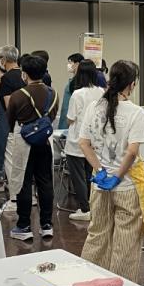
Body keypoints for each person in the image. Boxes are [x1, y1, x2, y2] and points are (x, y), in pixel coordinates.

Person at [79, 60, 144, 282]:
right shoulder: (136, 112)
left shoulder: (94, 107)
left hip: (99, 184)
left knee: (97, 235)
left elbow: (84, 143)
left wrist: (100, 171)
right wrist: (117, 177)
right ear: (132, 84)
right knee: (126, 243)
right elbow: (132, 152)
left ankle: (89, 282)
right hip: (127, 185)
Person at [5, 54, 59, 240]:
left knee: (23, 182)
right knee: (45, 182)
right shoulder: (53, 93)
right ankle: (46, 225)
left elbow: (10, 121)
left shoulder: (18, 95)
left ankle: (24, 226)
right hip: (45, 141)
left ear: (24, 74)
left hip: (24, 142)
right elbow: (52, 116)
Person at [64, 60, 103, 222]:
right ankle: (93, 206)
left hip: (77, 141)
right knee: (89, 176)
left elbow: (70, 118)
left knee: (78, 177)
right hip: (94, 140)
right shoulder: (101, 91)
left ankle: (84, 208)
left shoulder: (77, 94)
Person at [0, 45, 23, 187]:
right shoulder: (24, 75)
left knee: (10, 162)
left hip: (10, 126)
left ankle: (14, 195)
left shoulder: (6, 78)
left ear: (4, 59)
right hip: (25, 123)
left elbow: (8, 105)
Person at [58, 53, 85, 128]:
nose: (68, 65)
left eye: (70, 62)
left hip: (71, 117)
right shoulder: (73, 80)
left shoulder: (78, 82)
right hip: (66, 114)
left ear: (77, 64)